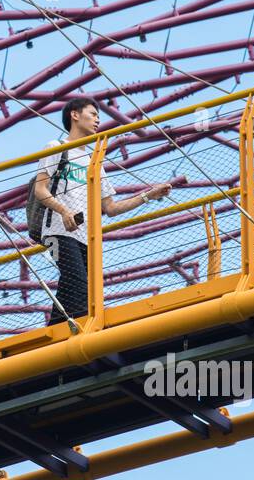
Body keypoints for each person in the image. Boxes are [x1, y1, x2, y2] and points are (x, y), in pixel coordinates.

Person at [34, 98, 172, 325]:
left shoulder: (94, 161)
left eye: (99, 116)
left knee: (83, 290)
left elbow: (110, 208)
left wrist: (148, 195)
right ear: (74, 115)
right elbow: (40, 189)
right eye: (93, 113)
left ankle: (55, 333)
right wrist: (64, 211)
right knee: (76, 281)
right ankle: (77, 335)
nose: (98, 119)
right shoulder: (56, 147)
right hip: (58, 231)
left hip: (88, 235)